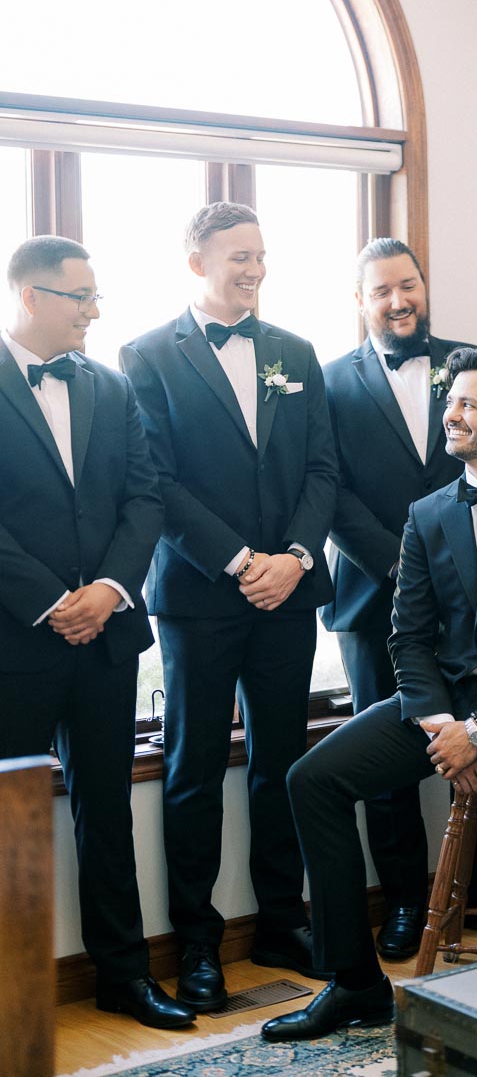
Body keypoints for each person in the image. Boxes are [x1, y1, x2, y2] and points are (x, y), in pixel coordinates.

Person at [262, 347, 477, 1042]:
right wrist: (445, 722)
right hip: (444, 703)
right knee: (311, 779)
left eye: (468, 404)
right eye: (450, 401)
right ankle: (355, 983)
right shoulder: (426, 513)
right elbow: (406, 636)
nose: (452, 413)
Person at [120, 202, 338, 1013]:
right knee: (193, 770)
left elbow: (323, 468)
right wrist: (244, 561)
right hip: (199, 598)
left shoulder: (295, 351)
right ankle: (198, 945)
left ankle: (283, 922)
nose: (253, 269)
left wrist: (294, 559)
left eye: (261, 256)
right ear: (195, 260)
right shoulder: (145, 354)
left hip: (290, 594)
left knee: (286, 761)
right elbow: (158, 481)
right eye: (238, 256)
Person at [0, 237, 194, 1030]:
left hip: (108, 638)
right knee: (10, 819)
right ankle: (12, 995)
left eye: (94, 295)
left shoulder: (112, 389)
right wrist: (51, 602)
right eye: (80, 296)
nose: (94, 310)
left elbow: (143, 498)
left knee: (106, 811)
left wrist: (110, 590)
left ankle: (123, 976)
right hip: (15, 641)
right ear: (30, 296)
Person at [321, 237, 474, 959]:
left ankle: (472, 892)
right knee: (386, 764)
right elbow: (329, 491)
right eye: (381, 290)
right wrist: (405, 566)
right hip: (371, 598)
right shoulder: (328, 382)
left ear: (424, 282)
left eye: (407, 284)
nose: (399, 300)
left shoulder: (474, 365)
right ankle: (409, 901)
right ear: (361, 301)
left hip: (471, 597)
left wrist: (456, 572)